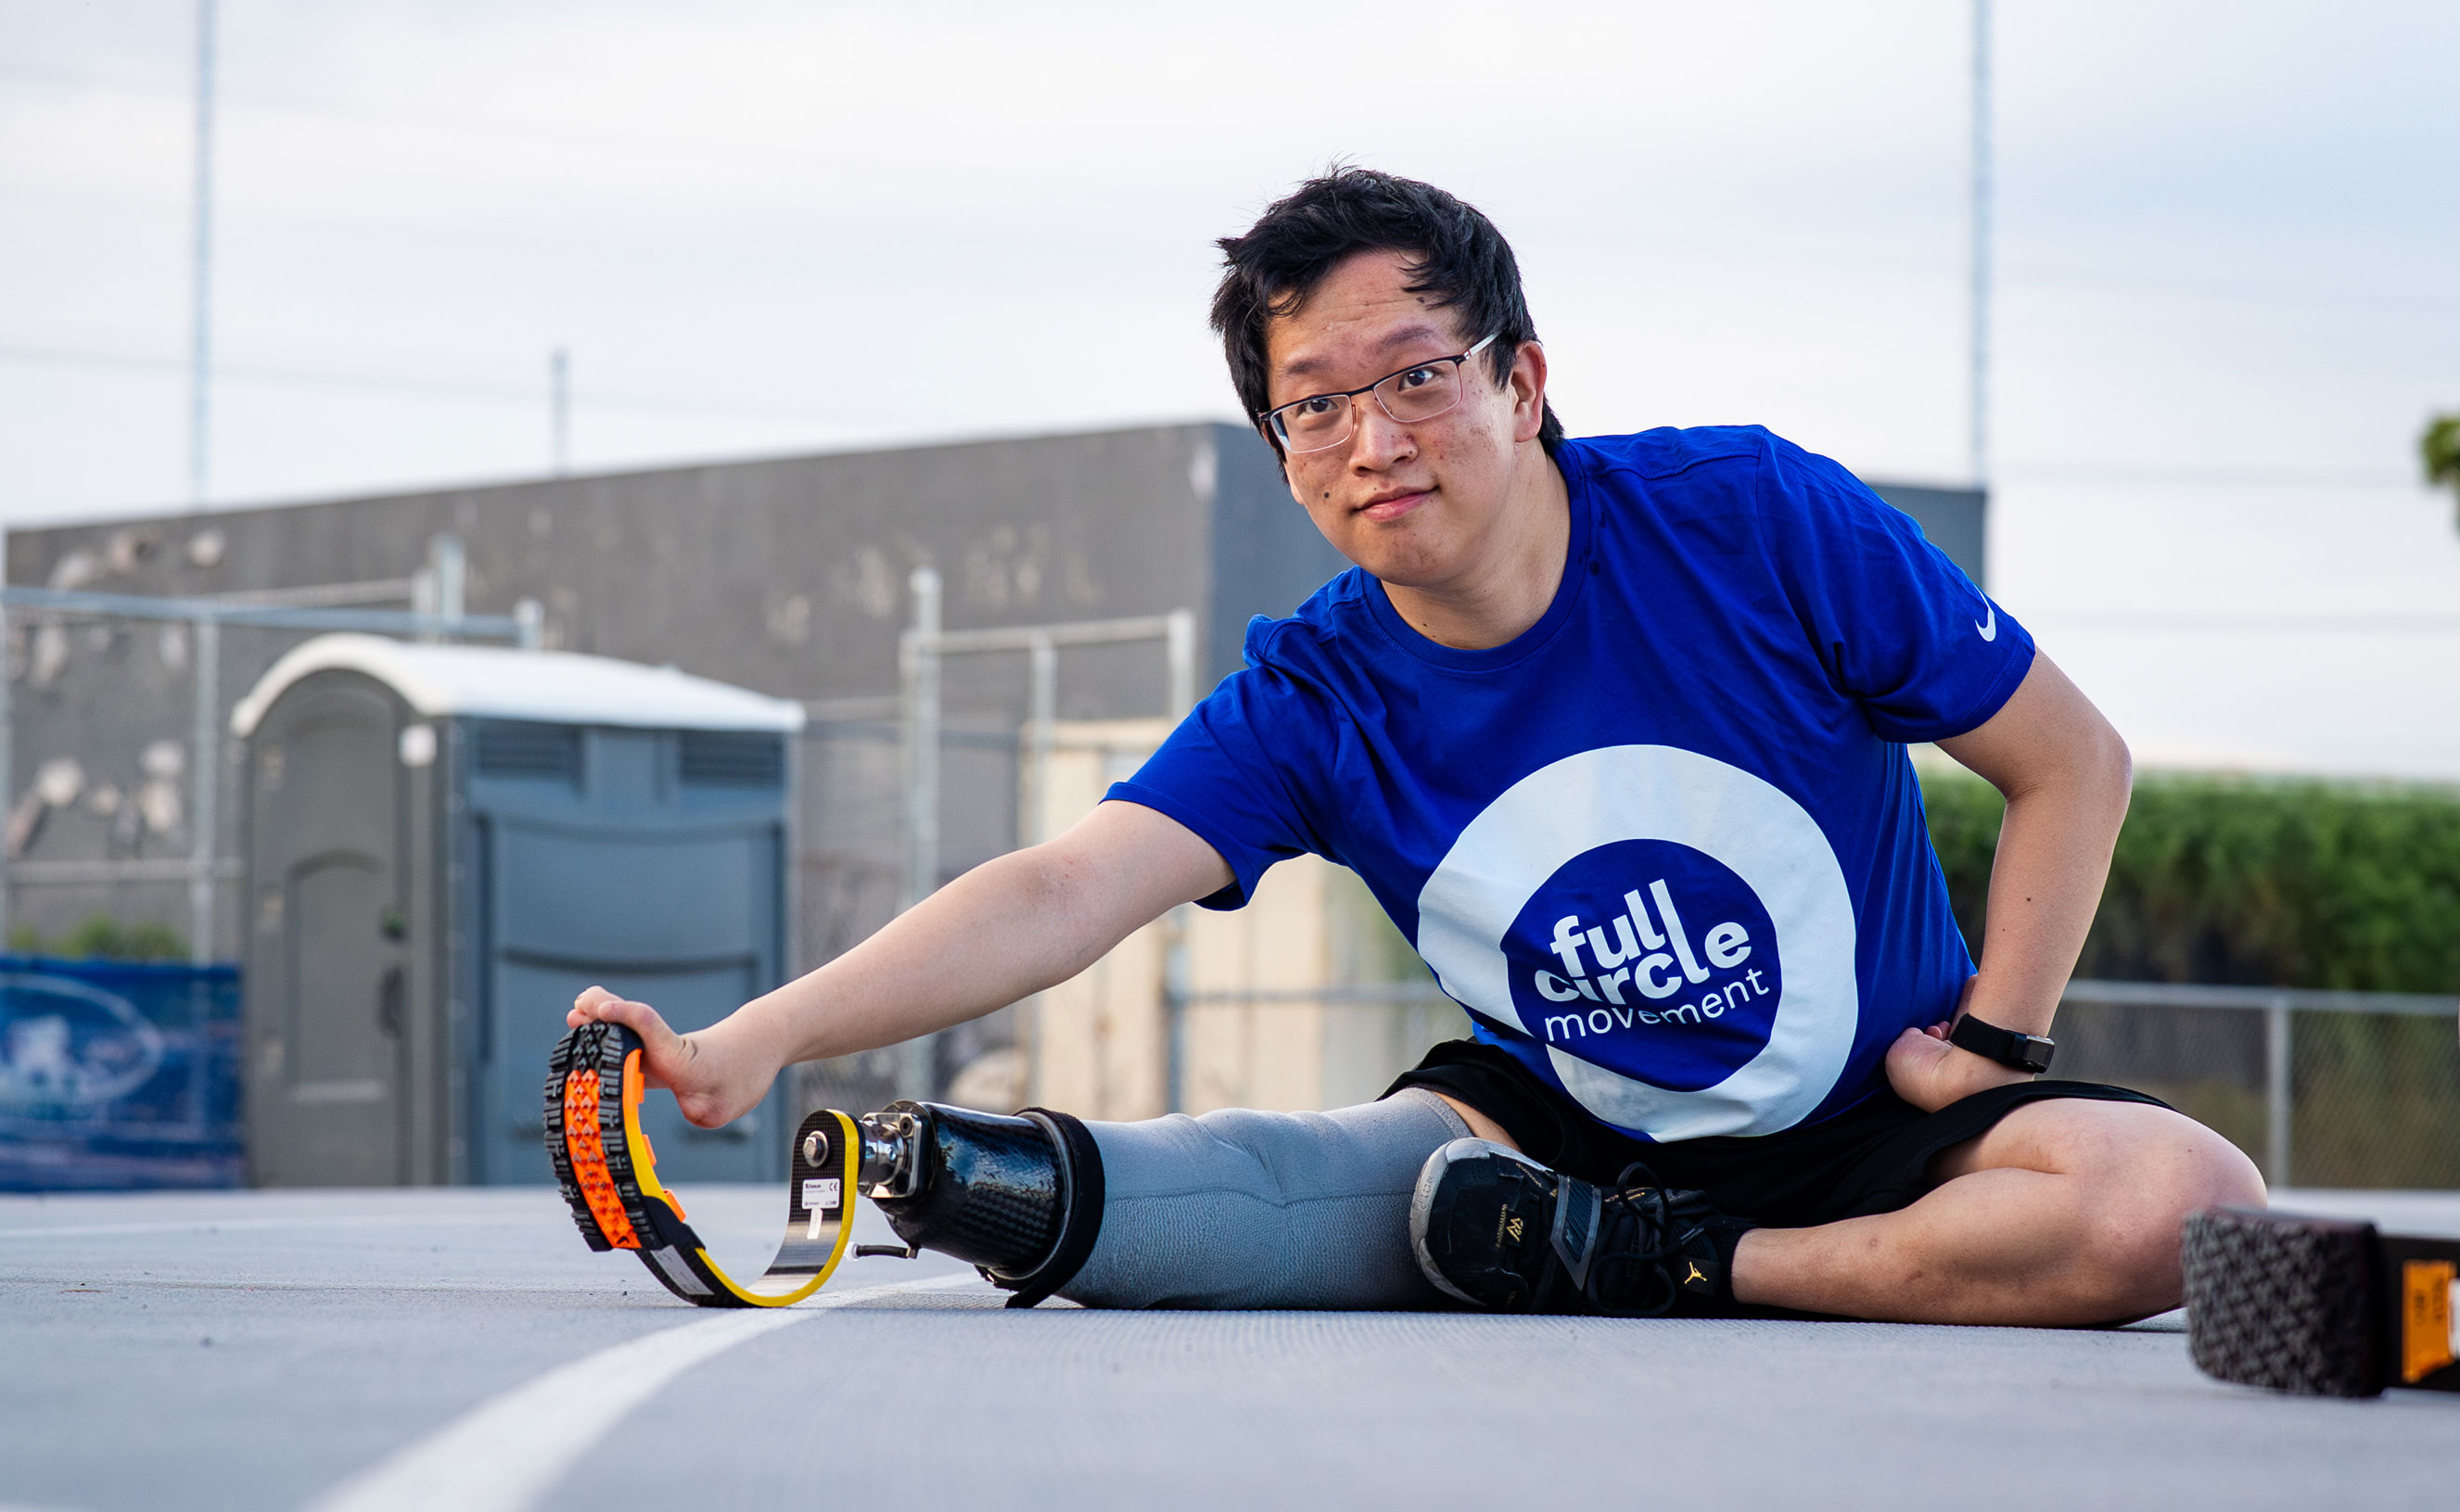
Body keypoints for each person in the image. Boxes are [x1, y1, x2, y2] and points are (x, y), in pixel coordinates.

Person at [568, 168, 2264, 1324]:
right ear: (1284, 452)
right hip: (1552, 1137)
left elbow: (2073, 760)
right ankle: (966, 1176)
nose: (1373, 437)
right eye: (1314, 404)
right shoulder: (1318, 693)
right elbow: (1066, 885)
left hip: (1864, 1112)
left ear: (1525, 380)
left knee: (2174, 1206)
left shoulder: (1752, 518)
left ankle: (1685, 1266)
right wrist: (747, 1046)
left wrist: (1995, 1041)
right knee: (1354, 1190)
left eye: (1417, 377)